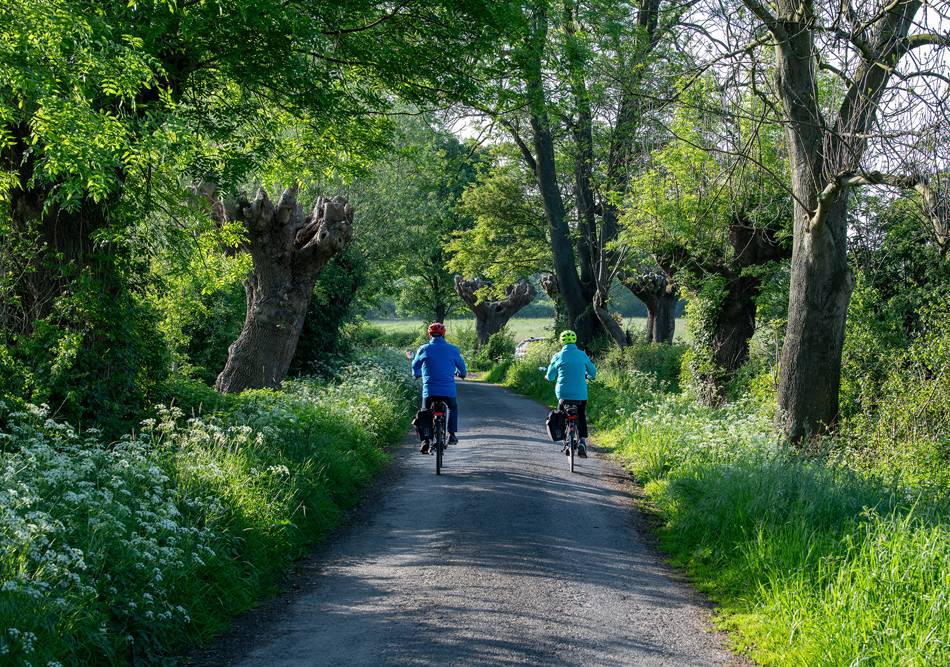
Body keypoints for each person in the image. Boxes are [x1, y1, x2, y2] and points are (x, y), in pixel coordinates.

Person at [412, 322, 467, 454]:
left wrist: (417, 375)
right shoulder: (453, 349)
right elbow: (462, 368)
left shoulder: (424, 349)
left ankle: (425, 440)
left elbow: (415, 365)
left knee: (425, 412)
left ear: (429, 334)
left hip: (429, 391)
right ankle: (452, 434)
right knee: (452, 407)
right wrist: (462, 374)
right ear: (443, 334)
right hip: (448, 391)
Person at [544, 329, 596, 457]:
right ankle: (583, 441)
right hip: (580, 394)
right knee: (581, 416)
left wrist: (547, 377)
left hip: (563, 394)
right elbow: (593, 373)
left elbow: (550, 377)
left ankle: (565, 440)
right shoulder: (582, 355)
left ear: (561, 341)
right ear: (575, 340)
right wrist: (588, 376)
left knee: (561, 415)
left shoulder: (557, 356)